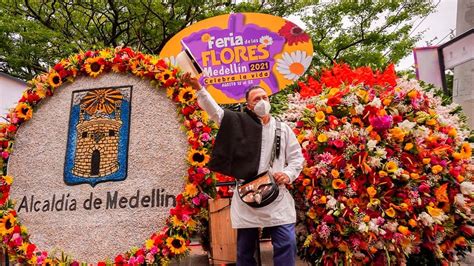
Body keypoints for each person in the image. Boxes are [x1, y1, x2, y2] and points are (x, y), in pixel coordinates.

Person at [182, 73, 304, 266]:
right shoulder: (239, 123)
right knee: (245, 252)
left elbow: (297, 158)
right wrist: (199, 88)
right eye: (257, 99)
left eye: (265, 97)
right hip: (247, 195)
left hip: (277, 196)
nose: (262, 101)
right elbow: (216, 113)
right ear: (249, 105)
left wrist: (288, 174)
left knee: (287, 244)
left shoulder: (283, 129)